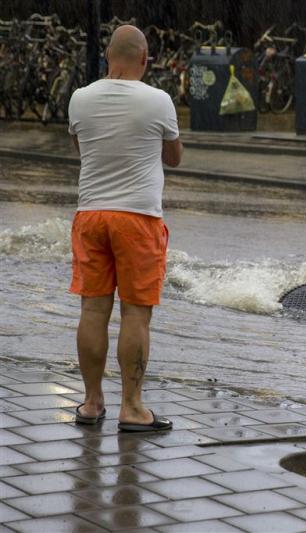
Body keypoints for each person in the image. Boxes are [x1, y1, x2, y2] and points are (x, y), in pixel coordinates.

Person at [68, 25, 183, 432]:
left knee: (93, 309)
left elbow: (83, 150)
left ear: (107, 58)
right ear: (144, 59)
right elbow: (174, 157)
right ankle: (132, 408)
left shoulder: (80, 99)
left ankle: (91, 402)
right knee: (136, 314)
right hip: (138, 218)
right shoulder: (158, 101)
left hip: (91, 215)